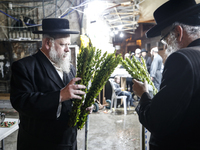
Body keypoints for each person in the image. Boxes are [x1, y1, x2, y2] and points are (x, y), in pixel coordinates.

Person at [10, 18, 93, 150]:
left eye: (69, 44)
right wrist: (60, 96)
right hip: (40, 144)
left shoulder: (70, 68)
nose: (68, 49)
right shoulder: (25, 67)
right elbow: (21, 102)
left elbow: (70, 101)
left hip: (68, 142)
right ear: (48, 43)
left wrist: (82, 106)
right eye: (63, 45)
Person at [132, 0, 200, 149]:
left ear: (178, 32)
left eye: (164, 38)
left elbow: (157, 122)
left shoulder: (182, 59)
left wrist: (143, 95)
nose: (165, 46)